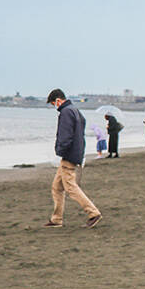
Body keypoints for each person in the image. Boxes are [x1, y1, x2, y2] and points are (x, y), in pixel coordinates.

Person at [45, 89, 102, 228]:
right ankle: (56, 219)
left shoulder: (66, 112)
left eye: (53, 104)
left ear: (58, 100)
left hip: (68, 155)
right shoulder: (75, 110)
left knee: (70, 187)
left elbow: (65, 135)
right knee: (57, 187)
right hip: (75, 153)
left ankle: (93, 213)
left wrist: (60, 151)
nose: (54, 106)